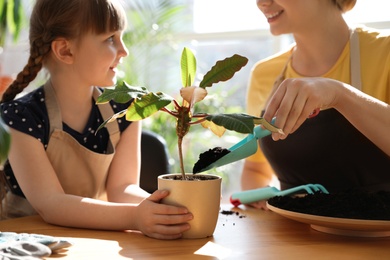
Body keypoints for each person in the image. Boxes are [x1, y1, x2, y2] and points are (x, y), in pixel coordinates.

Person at [0, 0, 193, 240]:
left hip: (92, 241)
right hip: (28, 246)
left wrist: (174, 210)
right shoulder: (19, 118)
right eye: (111, 38)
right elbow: (51, 204)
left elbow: (122, 189)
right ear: (65, 51)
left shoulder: (127, 109)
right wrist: (134, 217)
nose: (124, 51)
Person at [242, 0, 390, 209]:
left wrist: (340, 94)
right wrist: (259, 199)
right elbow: (255, 171)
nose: (261, 3)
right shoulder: (264, 74)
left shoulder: (386, 54)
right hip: (293, 236)